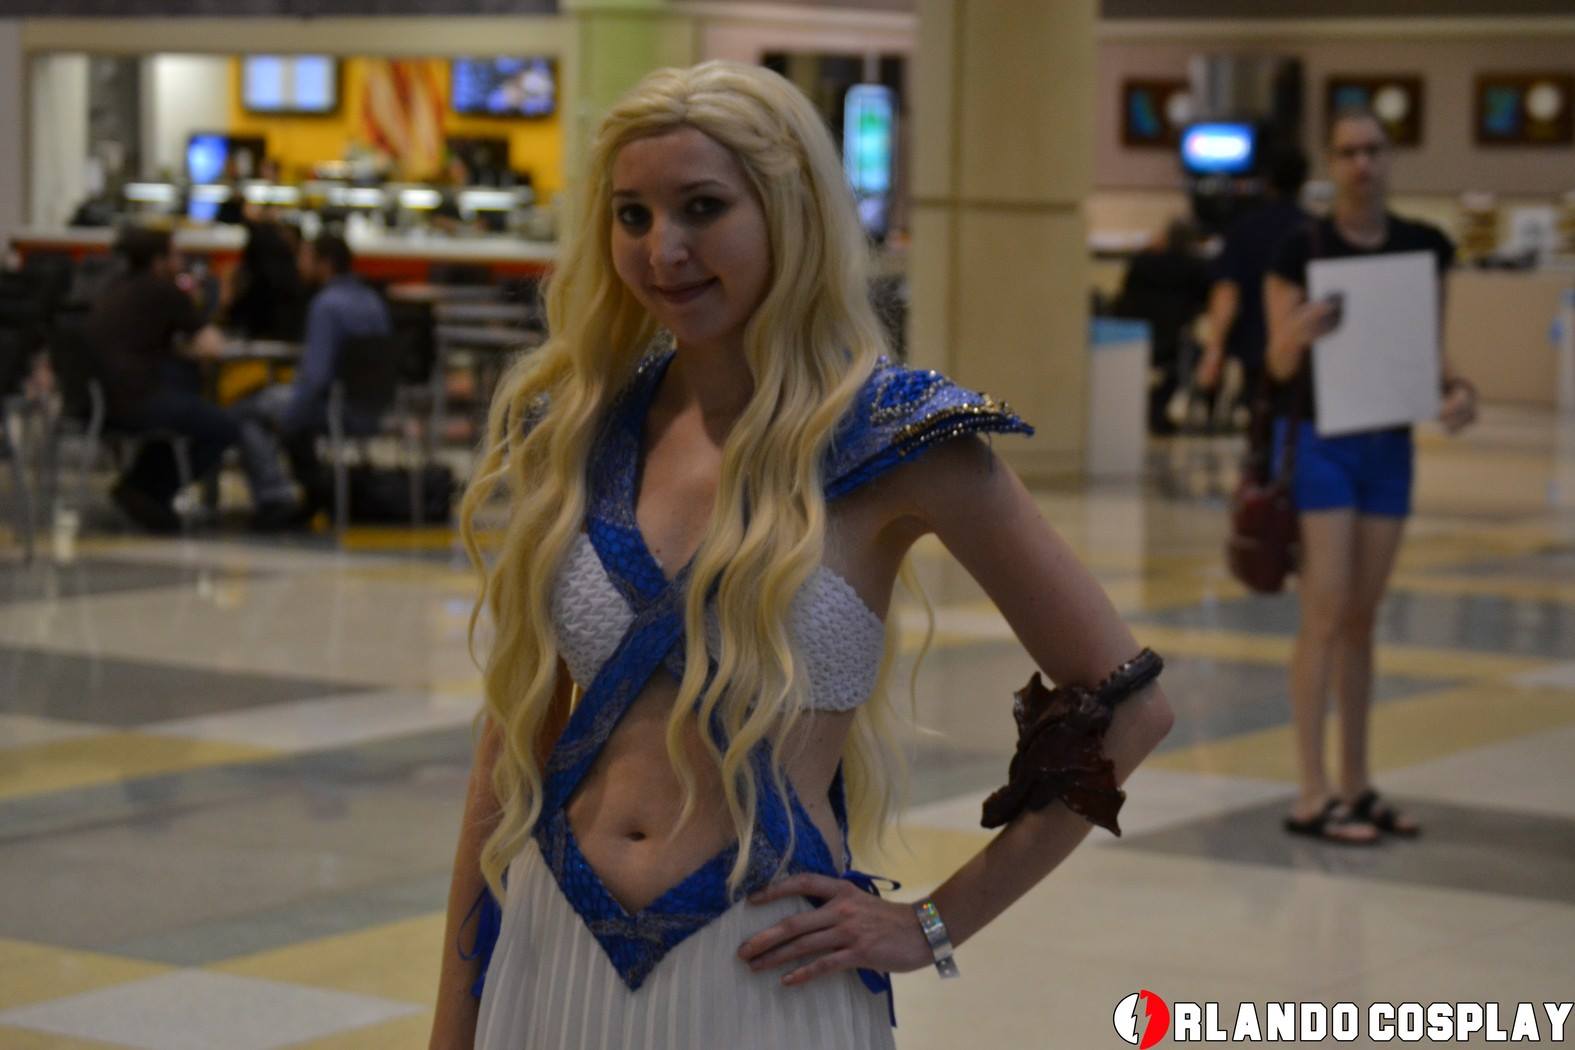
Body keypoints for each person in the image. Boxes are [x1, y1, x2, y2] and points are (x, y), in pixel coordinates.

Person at [430, 62, 1175, 1050]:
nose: (664, 250)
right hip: (549, 951)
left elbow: (1131, 704)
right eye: (632, 215)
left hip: (767, 967)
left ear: (789, 212)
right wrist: (454, 1022)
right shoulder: (579, 426)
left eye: (703, 208)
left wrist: (932, 925)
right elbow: (510, 748)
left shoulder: (901, 436)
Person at [1265, 107, 1477, 845]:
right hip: (1321, 439)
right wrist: (1300, 331)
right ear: (1331, 162)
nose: (1362, 164)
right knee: (1324, 612)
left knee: (1361, 616)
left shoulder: (1424, 246)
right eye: (1349, 152)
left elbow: (1429, 350)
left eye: (1374, 150)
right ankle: (1310, 790)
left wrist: (1455, 391)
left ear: (1390, 158)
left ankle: (1354, 782)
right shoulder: (1301, 248)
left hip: (1388, 440)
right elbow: (1276, 362)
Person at [234, 232, 391, 528]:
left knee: (246, 411)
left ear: (325, 263)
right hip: (371, 407)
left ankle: (274, 497)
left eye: (305, 258)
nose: (299, 265)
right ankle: (311, 490)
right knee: (287, 410)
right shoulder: (373, 301)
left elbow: (315, 379)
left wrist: (290, 419)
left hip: (335, 409)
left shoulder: (326, 305)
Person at [86, 227, 236, 533]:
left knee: (181, 417)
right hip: (139, 397)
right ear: (159, 260)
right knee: (223, 427)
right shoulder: (163, 290)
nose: (181, 262)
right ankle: (148, 491)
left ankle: (139, 490)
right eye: (175, 255)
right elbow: (212, 345)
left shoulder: (113, 287)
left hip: (99, 399)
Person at [1196, 145, 1309, 408]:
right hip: (1303, 350)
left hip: (1255, 347)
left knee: (1260, 418)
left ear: (1266, 181)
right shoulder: (1313, 231)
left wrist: (1214, 350)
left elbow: (1227, 292)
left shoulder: (1245, 229)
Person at [1110, 218, 1212, 433]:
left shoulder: (1142, 263)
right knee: (1195, 357)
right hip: (1172, 340)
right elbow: (1205, 300)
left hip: (1132, 337)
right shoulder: (1195, 268)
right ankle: (1160, 410)